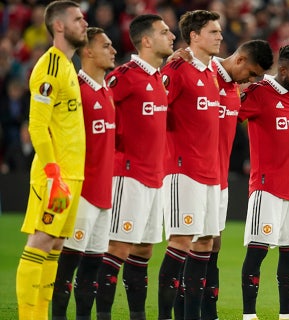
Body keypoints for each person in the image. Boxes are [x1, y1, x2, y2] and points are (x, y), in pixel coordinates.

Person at [94, 14, 175, 320]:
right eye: (164, 32)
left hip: (155, 178)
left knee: (143, 251)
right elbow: (101, 110)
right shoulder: (125, 75)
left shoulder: (158, 78)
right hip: (128, 175)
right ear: (147, 41)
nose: (171, 36)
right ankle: (101, 314)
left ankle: (138, 315)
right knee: (118, 248)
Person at [15, 1, 87, 319]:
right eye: (77, 19)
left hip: (72, 175)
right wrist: (52, 172)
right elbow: (37, 124)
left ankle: (41, 314)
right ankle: (29, 316)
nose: (84, 23)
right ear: (59, 26)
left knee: (56, 245)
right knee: (41, 240)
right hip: (55, 175)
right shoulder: (50, 67)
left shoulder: (69, 66)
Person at [238, 44, 289, 320]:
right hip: (267, 189)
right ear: (283, 70)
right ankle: (248, 314)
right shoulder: (258, 93)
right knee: (258, 254)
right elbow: (230, 116)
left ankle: (287, 314)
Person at [156, 10, 222, 320]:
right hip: (183, 170)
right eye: (213, 32)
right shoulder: (177, 69)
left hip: (210, 172)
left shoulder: (210, 73)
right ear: (194, 36)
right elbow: (157, 111)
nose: (220, 36)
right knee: (181, 240)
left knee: (205, 243)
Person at [204, 39, 274, 320]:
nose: (252, 81)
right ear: (241, 60)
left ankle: (208, 312)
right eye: (252, 73)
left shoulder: (234, 90)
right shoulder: (204, 75)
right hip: (191, 174)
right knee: (191, 243)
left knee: (214, 244)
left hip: (219, 178)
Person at [51, 27, 117, 320]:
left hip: (105, 192)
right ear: (88, 51)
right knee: (68, 265)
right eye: (106, 46)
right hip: (81, 191)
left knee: (93, 266)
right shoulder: (76, 90)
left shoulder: (108, 91)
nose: (113, 50)